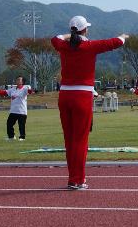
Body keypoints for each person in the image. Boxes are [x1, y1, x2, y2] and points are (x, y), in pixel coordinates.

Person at [51, 16, 127, 190]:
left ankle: (73, 179)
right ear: (85, 30)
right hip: (82, 95)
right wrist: (123, 36)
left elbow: (55, 38)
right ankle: (78, 180)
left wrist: (70, 36)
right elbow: (116, 42)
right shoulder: (89, 46)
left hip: (64, 96)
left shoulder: (63, 46)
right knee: (80, 140)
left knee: (69, 139)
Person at [0, 76, 33, 141]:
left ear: (22, 82)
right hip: (13, 111)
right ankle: (11, 137)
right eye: (17, 79)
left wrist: (32, 90)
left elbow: (29, 91)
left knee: (21, 125)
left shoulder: (25, 89)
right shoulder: (13, 89)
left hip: (22, 111)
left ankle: (22, 137)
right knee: (9, 124)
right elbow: (4, 93)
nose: (17, 80)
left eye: (19, 79)